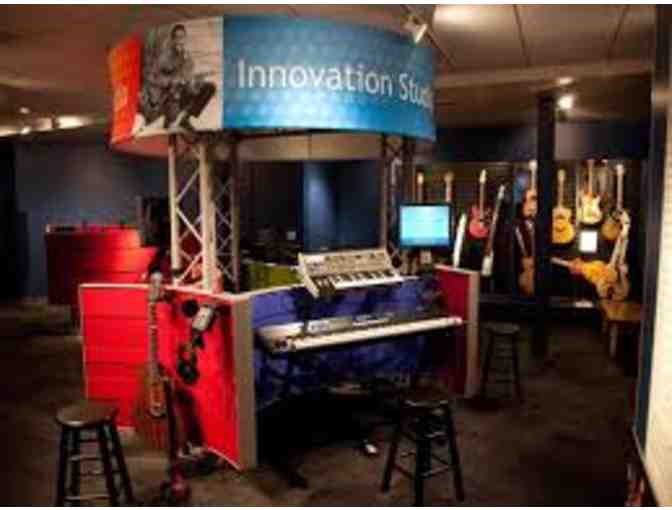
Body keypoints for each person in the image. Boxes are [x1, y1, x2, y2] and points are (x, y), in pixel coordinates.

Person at [140, 24, 216, 132]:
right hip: (166, 97)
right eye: (177, 37)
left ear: (185, 38)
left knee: (209, 87)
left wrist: (196, 84)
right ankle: (168, 118)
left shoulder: (188, 59)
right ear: (172, 39)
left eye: (182, 37)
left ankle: (185, 118)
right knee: (168, 122)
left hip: (180, 93)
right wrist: (170, 81)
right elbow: (151, 76)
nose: (180, 40)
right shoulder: (164, 57)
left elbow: (188, 84)